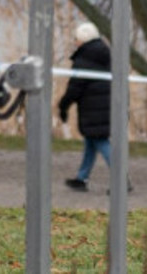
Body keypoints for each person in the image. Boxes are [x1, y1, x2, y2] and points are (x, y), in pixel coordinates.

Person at [58, 22, 113, 192]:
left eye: (76, 39)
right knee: (91, 141)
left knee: (101, 142)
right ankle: (82, 178)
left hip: (92, 108)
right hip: (105, 104)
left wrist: (63, 105)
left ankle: (122, 178)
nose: (75, 42)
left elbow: (75, 87)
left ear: (83, 40)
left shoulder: (84, 59)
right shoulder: (104, 54)